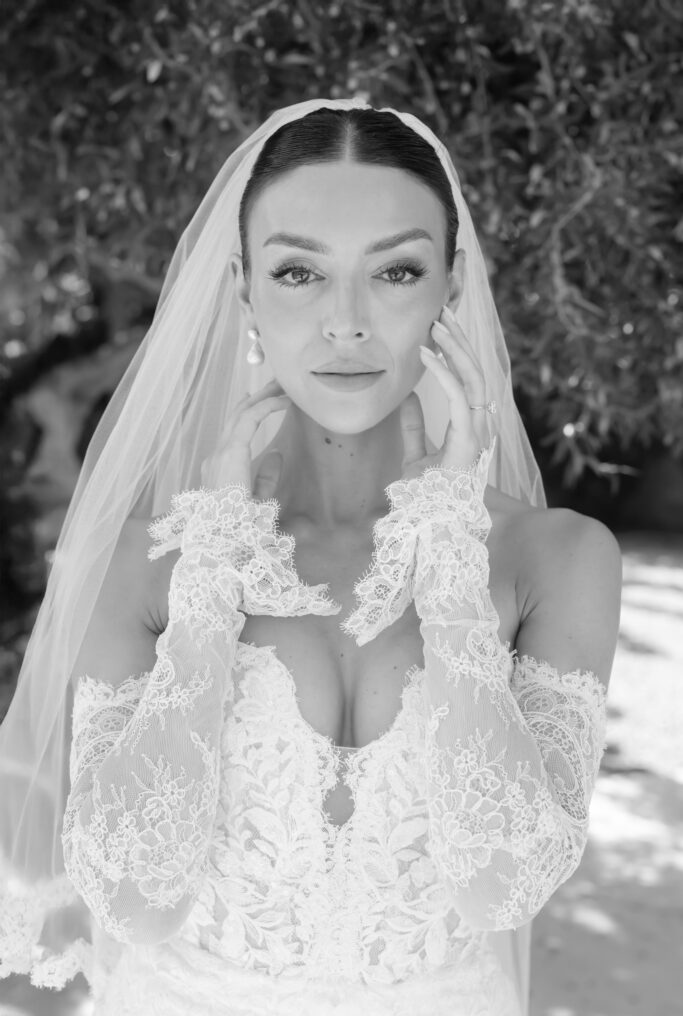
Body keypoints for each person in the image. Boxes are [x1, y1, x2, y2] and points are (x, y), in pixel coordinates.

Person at [0, 97, 622, 1016]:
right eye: (298, 272)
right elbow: (135, 897)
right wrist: (210, 580)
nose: (346, 322)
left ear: (449, 287)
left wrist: (449, 554)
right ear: (244, 288)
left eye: (396, 271)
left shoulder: (554, 558)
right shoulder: (145, 565)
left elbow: (502, 887)